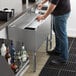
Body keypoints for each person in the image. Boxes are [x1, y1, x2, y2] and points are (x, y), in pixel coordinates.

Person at [36, 0, 71, 64]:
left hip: (61, 14)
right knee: (56, 31)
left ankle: (63, 59)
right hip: (60, 11)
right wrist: (42, 3)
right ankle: (58, 50)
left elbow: (53, 5)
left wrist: (43, 16)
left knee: (62, 36)